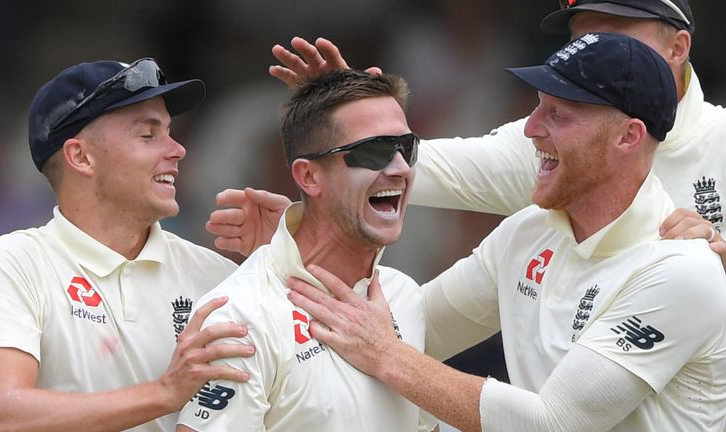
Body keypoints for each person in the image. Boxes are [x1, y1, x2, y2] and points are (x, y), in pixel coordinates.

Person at [288, 32, 726, 431]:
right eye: (537, 106)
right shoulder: (529, 233)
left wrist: (388, 355)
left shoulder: (683, 268)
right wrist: (290, 251)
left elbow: (553, 423)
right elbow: (407, 331)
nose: (531, 129)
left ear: (628, 136)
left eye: (558, 114)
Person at [209, 0, 726, 264]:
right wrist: (351, 118)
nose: (590, 52)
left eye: (612, 36)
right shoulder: (538, 158)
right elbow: (406, 166)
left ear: (678, 48)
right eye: (580, 37)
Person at [0, 58, 255, 432]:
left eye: (169, 131)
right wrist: (164, 392)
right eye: (149, 135)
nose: (177, 149)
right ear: (81, 156)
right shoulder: (12, 263)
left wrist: (287, 253)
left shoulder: (220, 276)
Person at [176, 69, 431, 432]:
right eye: (373, 151)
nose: (402, 168)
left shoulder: (404, 294)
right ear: (309, 176)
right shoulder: (240, 315)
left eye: (407, 148)